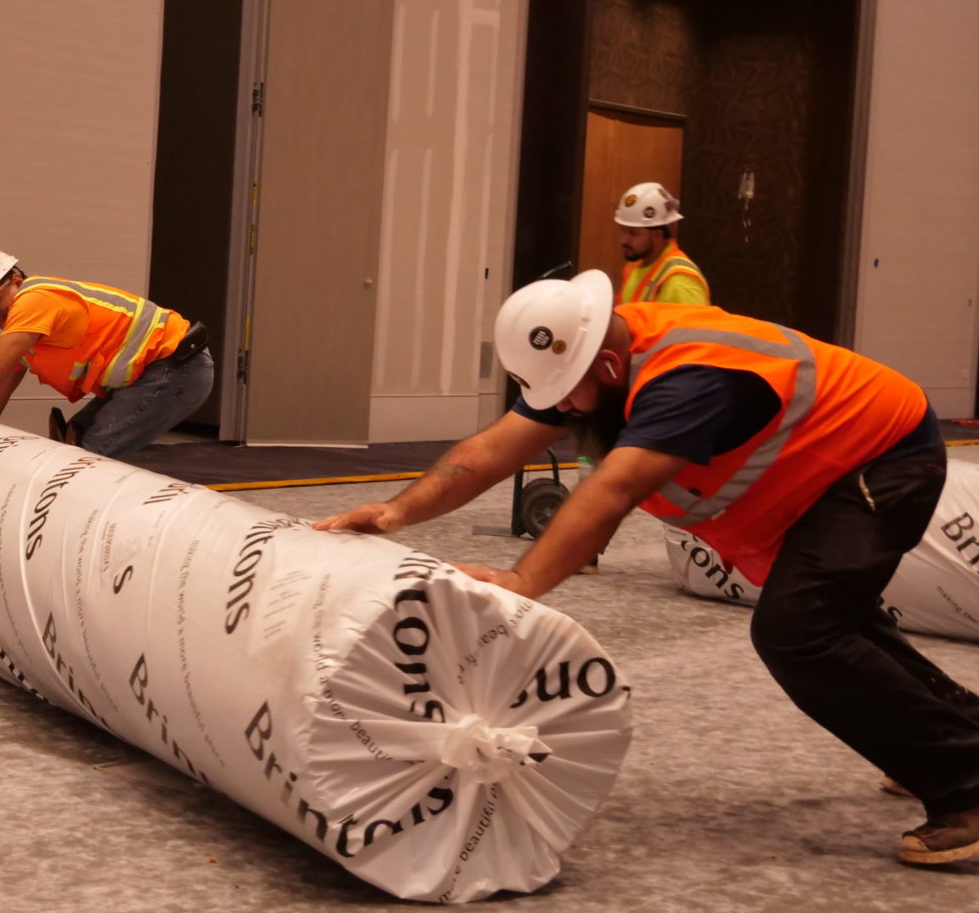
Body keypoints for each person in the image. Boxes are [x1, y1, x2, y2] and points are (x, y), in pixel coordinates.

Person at [313, 269, 979, 866]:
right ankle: (946, 734)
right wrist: (396, 512)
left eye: (568, 397)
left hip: (880, 458)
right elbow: (491, 450)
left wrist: (521, 584)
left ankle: (965, 785)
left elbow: (613, 490)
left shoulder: (690, 379)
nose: (562, 412)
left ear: (606, 365)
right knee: (834, 621)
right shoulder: (593, 354)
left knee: (800, 630)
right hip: (821, 470)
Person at [0, 249, 213, 454]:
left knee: (88, 460)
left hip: (176, 367)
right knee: (71, 445)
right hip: (148, 377)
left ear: (16, 278)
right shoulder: (26, 339)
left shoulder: (35, 299)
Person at [615, 181, 709, 304]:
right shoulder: (635, 265)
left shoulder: (680, 283)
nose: (624, 240)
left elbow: (696, 323)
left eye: (633, 233)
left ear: (657, 234)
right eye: (623, 231)